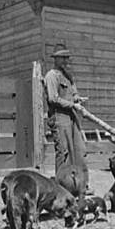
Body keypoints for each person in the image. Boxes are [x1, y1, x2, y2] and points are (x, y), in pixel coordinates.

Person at [43, 43, 91, 191]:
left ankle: (82, 185)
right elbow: (53, 98)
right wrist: (72, 104)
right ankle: (61, 187)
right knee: (63, 152)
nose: (65, 61)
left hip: (72, 116)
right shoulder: (51, 76)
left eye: (66, 57)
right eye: (62, 58)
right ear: (55, 58)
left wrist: (77, 99)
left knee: (79, 150)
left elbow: (74, 92)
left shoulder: (68, 75)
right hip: (59, 117)